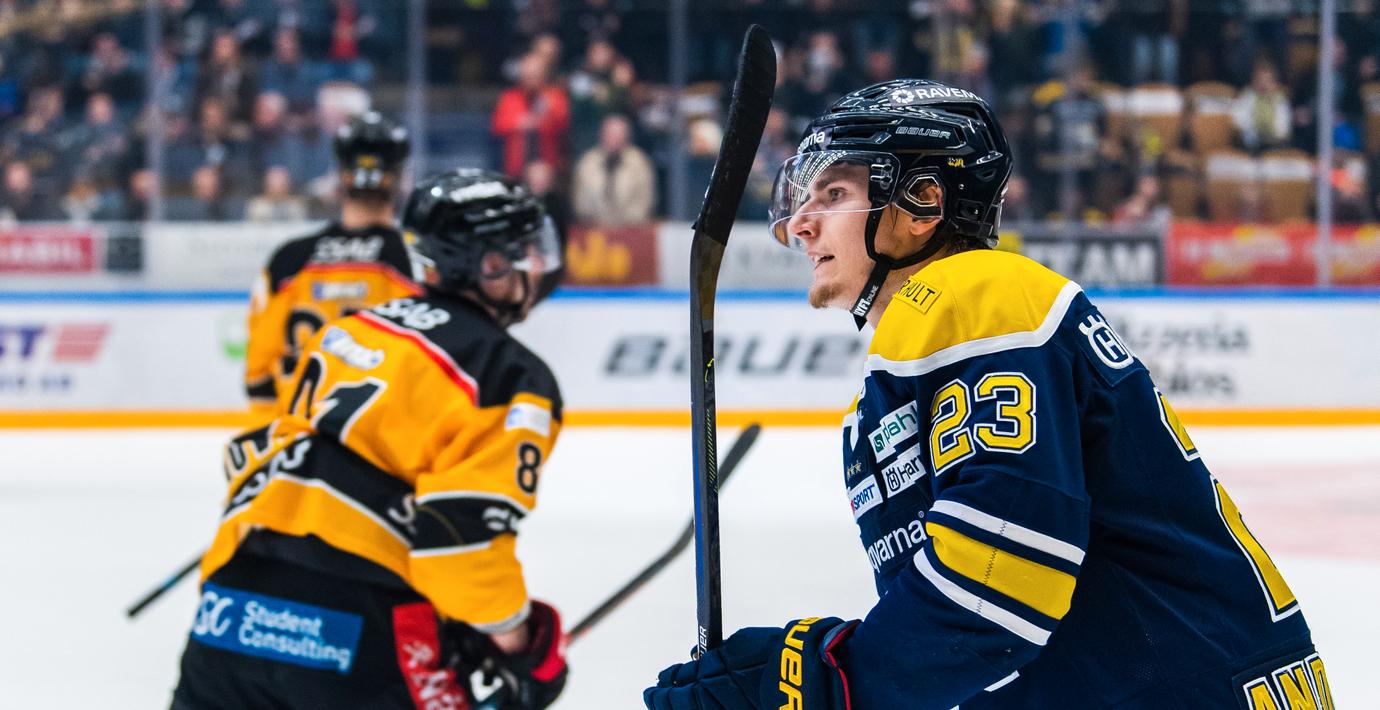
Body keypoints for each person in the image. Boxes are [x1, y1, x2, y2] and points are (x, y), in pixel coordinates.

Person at [644, 79, 1330, 710]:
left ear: (922, 201)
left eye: (833, 194)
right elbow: (979, 656)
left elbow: (1001, 582)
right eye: (804, 198)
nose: (801, 223)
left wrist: (830, 681)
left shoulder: (975, 293)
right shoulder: (901, 376)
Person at [172, 168, 568, 710]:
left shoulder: (349, 329)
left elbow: (266, 451)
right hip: (357, 633)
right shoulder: (505, 374)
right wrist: (519, 641)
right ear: (492, 265)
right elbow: (460, 542)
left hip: (231, 607)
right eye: (529, 250)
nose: (540, 264)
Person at [242, 111, 420, 417]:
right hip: (384, 433)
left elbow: (258, 372)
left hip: (302, 431)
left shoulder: (290, 259)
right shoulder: (415, 259)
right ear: (399, 175)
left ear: (341, 174)